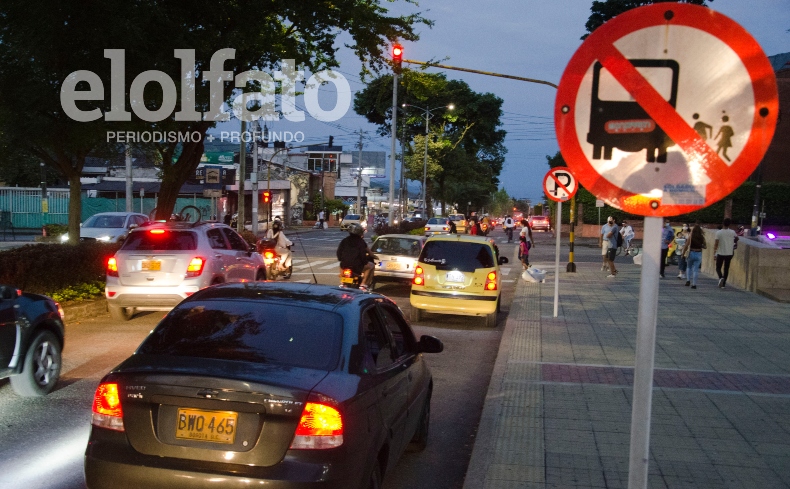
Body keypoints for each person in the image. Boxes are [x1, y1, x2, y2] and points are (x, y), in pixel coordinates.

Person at [336, 223, 374, 290]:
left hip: (344, 264)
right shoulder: (361, 242)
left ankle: (342, 282)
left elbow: (339, 252)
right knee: (371, 266)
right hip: (357, 266)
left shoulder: (344, 241)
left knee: (341, 266)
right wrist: (365, 262)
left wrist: (341, 259)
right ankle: (363, 284)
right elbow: (363, 254)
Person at [714, 218, 737, 288]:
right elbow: (737, 238)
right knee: (726, 268)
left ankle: (721, 277)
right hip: (729, 252)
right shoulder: (732, 232)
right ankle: (723, 284)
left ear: (722, 223)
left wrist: (714, 253)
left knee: (718, 267)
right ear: (729, 224)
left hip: (721, 252)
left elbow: (716, 244)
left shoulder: (719, 232)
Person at [683, 222, 706, 289]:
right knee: (695, 269)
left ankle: (688, 280)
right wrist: (701, 245)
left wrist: (683, 253)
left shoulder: (691, 236)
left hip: (691, 252)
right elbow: (705, 246)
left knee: (689, 267)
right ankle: (694, 284)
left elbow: (686, 246)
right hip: (698, 253)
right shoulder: (702, 237)